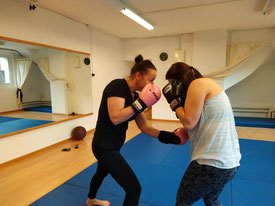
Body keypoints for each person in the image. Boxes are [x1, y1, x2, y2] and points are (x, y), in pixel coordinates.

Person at [87, 55, 187, 206]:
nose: (152, 84)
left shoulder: (137, 96)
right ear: (138, 75)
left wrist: (169, 137)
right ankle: (92, 199)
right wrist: (140, 103)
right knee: (134, 189)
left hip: (114, 145)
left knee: (102, 172)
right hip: (104, 147)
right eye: (151, 79)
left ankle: (91, 200)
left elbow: (144, 127)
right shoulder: (117, 86)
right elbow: (116, 118)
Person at [162, 62, 242, 206]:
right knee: (211, 199)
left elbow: (189, 122)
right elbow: (193, 125)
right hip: (230, 164)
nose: (174, 89)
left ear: (181, 80)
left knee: (182, 202)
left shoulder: (197, 84)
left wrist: (175, 103)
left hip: (211, 164)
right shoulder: (206, 86)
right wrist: (180, 133)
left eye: (173, 84)